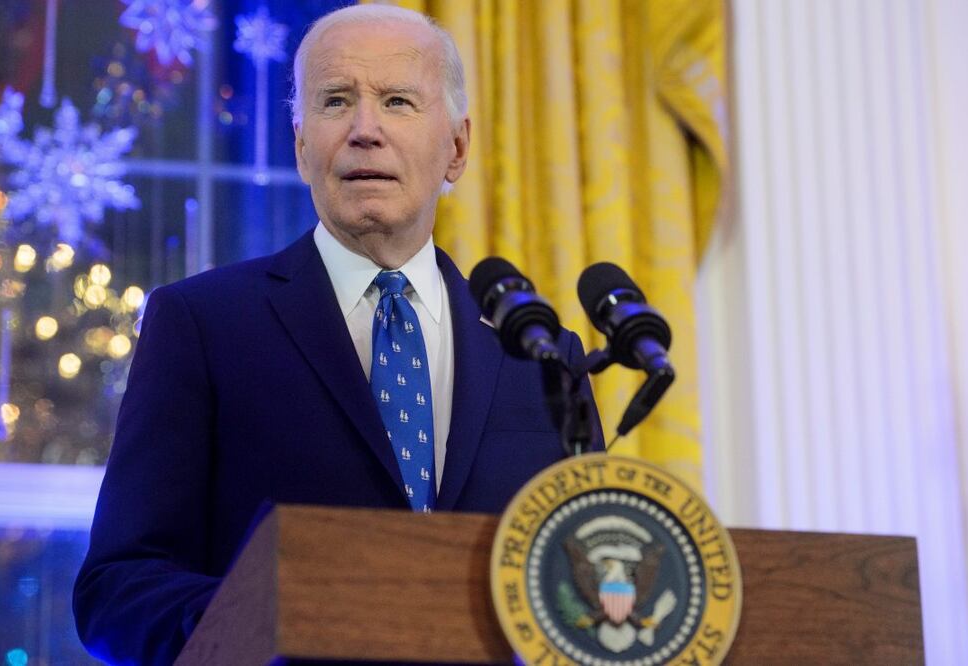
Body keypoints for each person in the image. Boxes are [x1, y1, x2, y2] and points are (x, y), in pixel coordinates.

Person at [73, 4, 601, 664]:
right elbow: (117, 591)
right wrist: (279, 617)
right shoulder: (202, 325)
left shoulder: (540, 357)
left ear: (456, 148)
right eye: (335, 101)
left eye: (398, 101)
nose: (364, 130)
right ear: (300, 146)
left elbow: (587, 590)